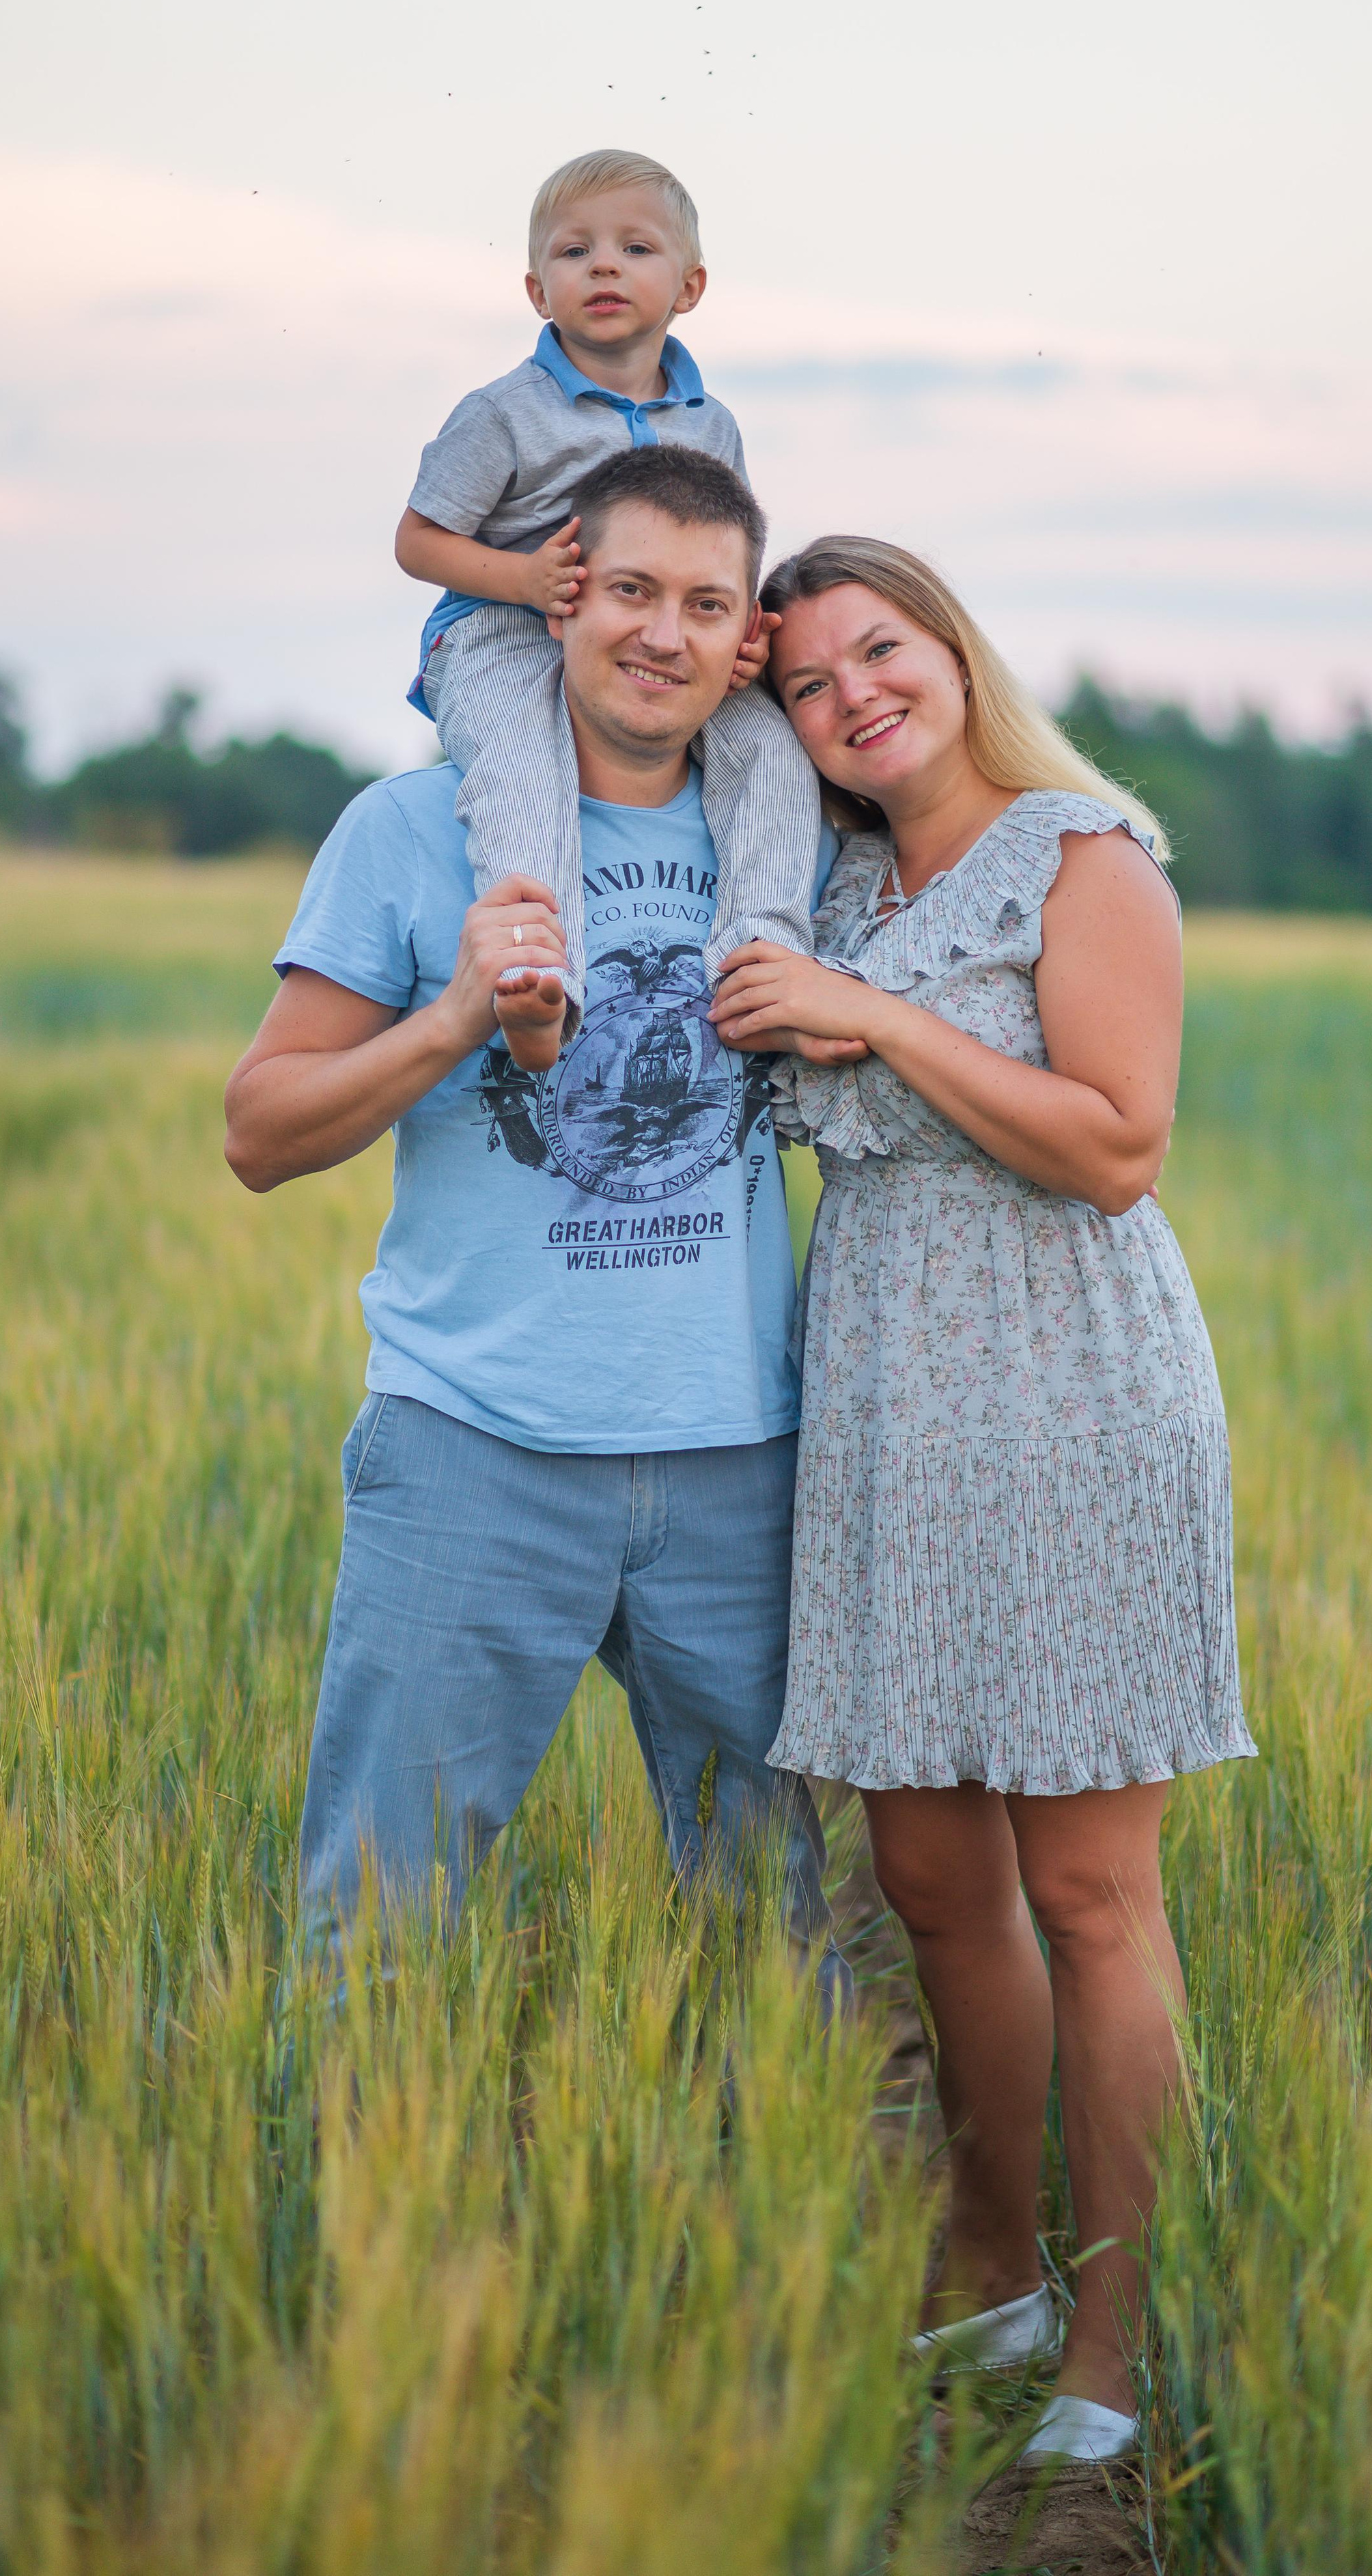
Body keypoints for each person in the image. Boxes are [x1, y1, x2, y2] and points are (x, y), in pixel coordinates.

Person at [710, 538, 1255, 2463]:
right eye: (806, 679)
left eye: (883, 648)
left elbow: (1117, 1147)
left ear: (951, 649)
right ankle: (991, 2259)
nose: (853, 691)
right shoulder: (831, 884)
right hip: (878, 1397)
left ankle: (1110, 2339)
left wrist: (878, 1022)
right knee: (932, 1883)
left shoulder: (1083, 852)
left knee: (1090, 1892)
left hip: (1070, 1385)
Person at [223, 446, 849, 2004]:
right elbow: (259, 1132)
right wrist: (449, 1019)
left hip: (742, 1461)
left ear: (743, 641)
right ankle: (360, 2238)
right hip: (472, 1451)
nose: (663, 634)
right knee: (376, 1930)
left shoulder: (800, 847)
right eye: (630, 589)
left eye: (706, 603)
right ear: (563, 598)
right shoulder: (410, 830)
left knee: (785, 1934)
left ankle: (772, 2245)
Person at [395, 147, 821, 1056]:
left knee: (771, 752)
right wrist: (522, 581)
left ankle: (761, 955)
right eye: (574, 251)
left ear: (690, 286)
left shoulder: (712, 424)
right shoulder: (505, 412)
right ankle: (537, 978)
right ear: (536, 289)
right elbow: (417, 542)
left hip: (653, 635)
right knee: (523, 775)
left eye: (635, 249)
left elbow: (730, 551)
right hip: (500, 630)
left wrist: (740, 636)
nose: (603, 266)